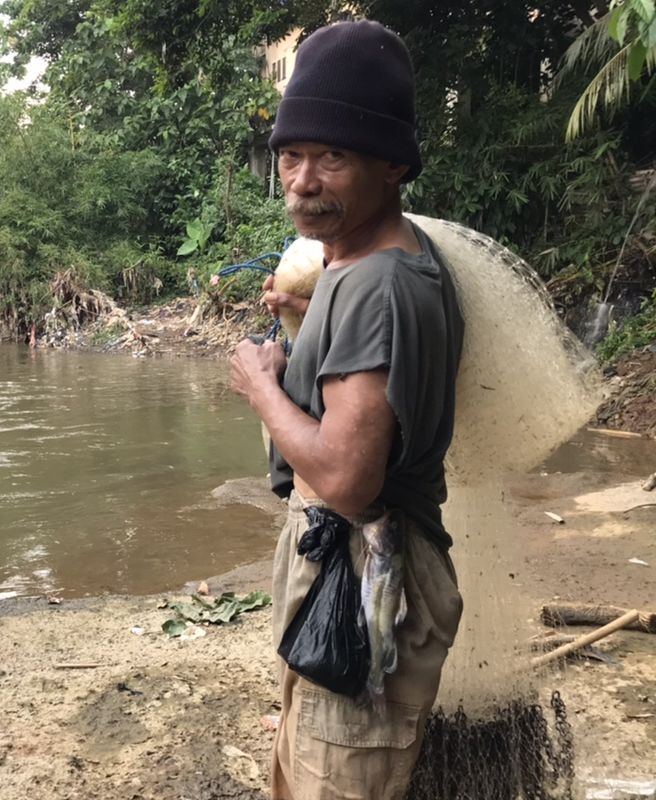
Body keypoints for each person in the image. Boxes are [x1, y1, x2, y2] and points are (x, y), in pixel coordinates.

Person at [228, 20, 466, 800]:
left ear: (394, 163)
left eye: (332, 156)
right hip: (357, 574)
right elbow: (366, 396)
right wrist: (303, 331)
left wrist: (260, 382)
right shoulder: (385, 259)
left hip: (369, 580)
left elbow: (347, 477)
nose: (301, 180)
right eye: (290, 156)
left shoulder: (371, 285)